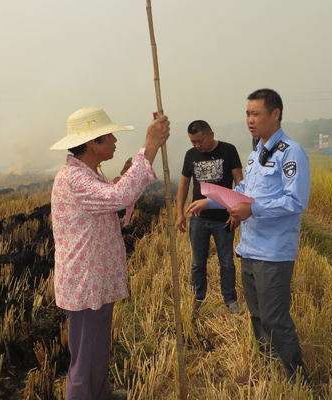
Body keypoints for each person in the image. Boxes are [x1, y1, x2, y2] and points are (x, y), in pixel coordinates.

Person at [186, 89, 310, 385]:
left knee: (275, 318)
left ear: (276, 114)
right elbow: (243, 194)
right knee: (257, 316)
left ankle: (298, 380)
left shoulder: (290, 152)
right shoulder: (257, 153)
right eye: (247, 114)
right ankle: (267, 368)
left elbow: (296, 201)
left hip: (275, 251)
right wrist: (212, 200)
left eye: (255, 114)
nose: (249, 120)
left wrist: (252, 209)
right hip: (251, 248)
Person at [49, 107, 170, 400]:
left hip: (96, 279)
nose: (115, 141)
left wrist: (125, 176)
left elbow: (106, 201)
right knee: (85, 358)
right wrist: (150, 146)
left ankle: (100, 392)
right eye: (110, 136)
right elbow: (120, 197)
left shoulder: (85, 174)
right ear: (92, 143)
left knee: (97, 347)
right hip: (86, 282)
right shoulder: (74, 178)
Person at [176, 120, 243, 314]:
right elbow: (183, 185)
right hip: (198, 218)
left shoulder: (228, 150)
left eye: (200, 140)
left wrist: (237, 209)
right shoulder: (191, 155)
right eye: (193, 142)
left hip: (224, 217)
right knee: (198, 262)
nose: (197, 145)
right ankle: (197, 298)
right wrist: (180, 213)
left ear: (211, 134)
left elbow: (239, 181)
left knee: (227, 262)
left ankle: (230, 299)